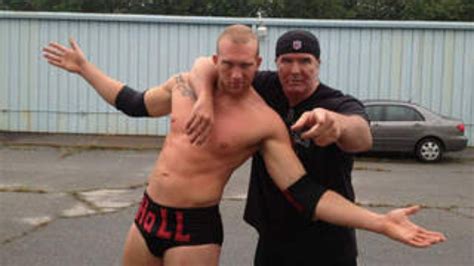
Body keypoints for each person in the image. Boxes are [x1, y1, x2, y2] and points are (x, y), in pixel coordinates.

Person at [43, 25, 445, 266]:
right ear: (216, 60)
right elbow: (132, 103)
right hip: (147, 214)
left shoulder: (264, 121)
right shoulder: (186, 85)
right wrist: (85, 69)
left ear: (258, 67)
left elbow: (305, 191)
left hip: (194, 229)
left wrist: (379, 222)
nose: (236, 75)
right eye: (228, 64)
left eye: (246, 66)